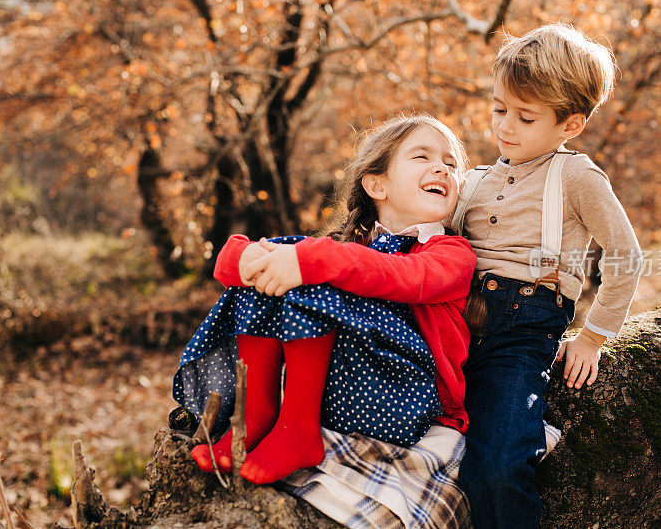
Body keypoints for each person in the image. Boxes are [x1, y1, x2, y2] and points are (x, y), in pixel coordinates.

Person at [173, 114, 478, 489]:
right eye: (422, 157)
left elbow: (399, 277)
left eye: (451, 164)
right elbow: (229, 267)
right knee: (286, 269)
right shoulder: (349, 251)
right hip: (337, 398)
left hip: (402, 399)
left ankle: (297, 430)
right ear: (376, 184)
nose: (442, 169)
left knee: (312, 270)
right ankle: (256, 417)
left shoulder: (452, 253)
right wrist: (247, 259)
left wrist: (308, 262)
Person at [451, 24, 643, 528]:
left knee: (495, 465)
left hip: (520, 333)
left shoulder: (575, 177)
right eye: (499, 109)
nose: (505, 127)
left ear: (570, 125)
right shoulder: (475, 180)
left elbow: (625, 255)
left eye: (525, 116)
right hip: (449, 325)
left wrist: (594, 335)